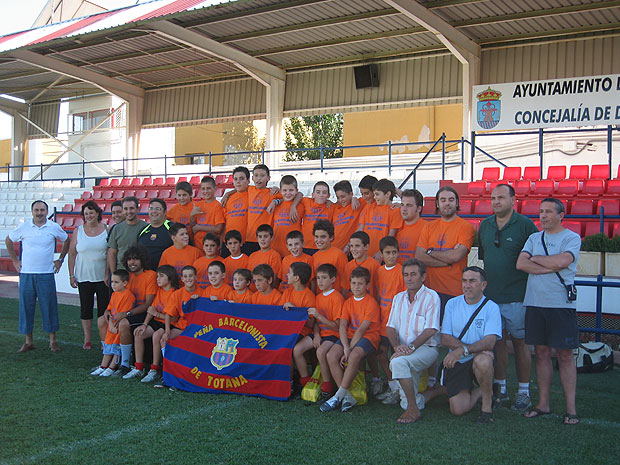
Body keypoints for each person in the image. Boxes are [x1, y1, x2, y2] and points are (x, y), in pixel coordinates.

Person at [516, 198, 581, 425]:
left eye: (548, 212)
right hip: (535, 303)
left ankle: (571, 409)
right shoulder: (534, 238)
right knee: (541, 354)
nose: (542, 216)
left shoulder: (571, 238)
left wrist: (539, 261)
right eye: (541, 212)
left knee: (565, 355)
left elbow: (563, 261)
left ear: (561, 215)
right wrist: (549, 264)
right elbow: (521, 264)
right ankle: (543, 404)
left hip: (561, 305)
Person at [479, 184, 538, 410]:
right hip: (491, 298)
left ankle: (523, 391)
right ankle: (500, 387)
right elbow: (486, 258)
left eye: (501, 197)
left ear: (514, 200)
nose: (496, 202)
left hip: (518, 296)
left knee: (521, 344)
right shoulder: (485, 225)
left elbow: (535, 257)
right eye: (493, 198)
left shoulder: (525, 226)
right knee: (499, 344)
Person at [429, 267, 502, 424]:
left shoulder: (491, 307)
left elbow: (490, 342)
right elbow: (445, 338)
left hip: (477, 357)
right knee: (458, 410)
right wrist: (465, 351)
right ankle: (483, 391)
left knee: (483, 360)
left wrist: (463, 350)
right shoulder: (452, 304)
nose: (467, 285)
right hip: (459, 361)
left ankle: (487, 408)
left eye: (472, 281)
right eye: (464, 281)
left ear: (483, 285)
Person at [5, 200, 70, 353]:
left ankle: (52, 341)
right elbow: (9, 240)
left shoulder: (53, 227)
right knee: (26, 308)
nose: (39, 213)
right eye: (36, 210)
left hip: (46, 274)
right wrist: (15, 260)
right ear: (32, 211)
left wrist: (60, 259)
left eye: (42, 210)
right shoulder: (24, 227)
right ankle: (28, 342)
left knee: (49, 307)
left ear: (47, 212)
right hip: (26, 274)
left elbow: (67, 240)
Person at [386, 259, 440, 424]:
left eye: (413, 274)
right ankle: (436, 392)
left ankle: (412, 409)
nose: (409, 279)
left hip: (426, 349)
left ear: (423, 277)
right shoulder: (398, 298)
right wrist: (396, 347)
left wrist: (410, 347)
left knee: (397, 363)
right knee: (400, 363)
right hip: (404, 350)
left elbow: (431, 329)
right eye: (406, 275)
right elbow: (390, 327)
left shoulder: (432, 297)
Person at [321, 267, 380, 412]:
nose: (356, 286)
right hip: (349, 336)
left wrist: (350, 350)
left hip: (368, 336)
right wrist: (345, 347)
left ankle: (338, 396)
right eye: (353, 283)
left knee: (353, 356)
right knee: (331, 355)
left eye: (360, 283)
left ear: (367, 286)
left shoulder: (371, 302)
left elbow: (362, 329)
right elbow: (342, 325)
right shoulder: (348, 302)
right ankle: (347, 396)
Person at [415, 186, 475, 313]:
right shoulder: (429, 227)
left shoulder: (466, 227)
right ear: (437, 203)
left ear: (457, 202)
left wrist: (430, 252)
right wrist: (447, 260)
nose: (447, 203)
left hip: (455, 292)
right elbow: (419, 256)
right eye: (443, 200)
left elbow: (456, 256)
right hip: (430, 292)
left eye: (451, 199)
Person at [103, 246, 157, 376]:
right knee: (101, 321)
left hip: (142, 314)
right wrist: (108, 310)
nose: (132, 262)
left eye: (136, 259)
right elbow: (117, 296)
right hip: (126, 312)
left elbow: (147, 304)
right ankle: (108, 359)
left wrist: (127, 314)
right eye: (129, 259)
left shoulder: (150, 275)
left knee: (123, 323)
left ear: (142, 260)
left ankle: (124, 363)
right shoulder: (127, 276)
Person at [149, 265, 204, 383]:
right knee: (164, 339)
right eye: (185, 276)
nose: (188, 278)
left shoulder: (203, 292)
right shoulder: (178, 294)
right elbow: (169, 314)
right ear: (182, 279)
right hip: (181, 326)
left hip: (197, 328)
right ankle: (167, 372)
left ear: (195, 277)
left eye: (190, 276)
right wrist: (167, 330)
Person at [123, 265, 179, 380]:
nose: (157, 279)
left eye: (161, 276)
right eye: (157, 276)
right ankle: (139, 367)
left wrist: (157, 314)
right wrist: (144, 324)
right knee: (138, 333)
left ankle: (155, 369)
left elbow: (173, 318)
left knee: (156, 336)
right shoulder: (160, 291)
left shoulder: (175, 293)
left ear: (170, 278)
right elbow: (151, 310)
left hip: (169, 324)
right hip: (157, 321)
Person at [68, 200, 110, 350]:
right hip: (83, 276)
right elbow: (72, 254)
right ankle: (87, 339)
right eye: (86, 213)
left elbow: (111, 252)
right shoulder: (78, 231)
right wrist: (71, 275)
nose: (89, 216)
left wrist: (108, 273)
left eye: (91, 212)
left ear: (97, 213)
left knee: (103, 309)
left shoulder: (107, 229)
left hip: (103, 277)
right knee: (85, 309)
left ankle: (103, 338)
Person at [372, 236, 406, 401]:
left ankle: (401, 389)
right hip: (382, 321)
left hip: (397, 321)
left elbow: (406, 297)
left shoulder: (401, 271)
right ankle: (393, 385)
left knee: (396, 354)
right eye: (388, 253)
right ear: (381, 254)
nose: (391, 256)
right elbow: (378, 294)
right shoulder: (379, 271)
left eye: (394, 252)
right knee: (381, 354)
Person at [308, 264, 345, 400]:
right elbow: (317, 323)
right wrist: (317, 334)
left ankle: (327, 387)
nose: (320, 281)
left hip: (334, 335)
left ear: (333, 279)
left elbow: (337, 327)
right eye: (318, 278)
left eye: (324, 278)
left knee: (321, 351)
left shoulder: (337, 298)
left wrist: (319, 316)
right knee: (317, 349)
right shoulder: (318, 297)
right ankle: (327, 384)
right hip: (322, 334)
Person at [91, 269, 135, 377]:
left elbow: (122, 314)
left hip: (119, 326)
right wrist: (110, 323)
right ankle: (103, 366)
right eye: (112, 282)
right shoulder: (114, 294)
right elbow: (110, 310)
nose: (113, 285)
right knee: (108, 344)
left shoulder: (128, 295)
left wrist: (115, 326)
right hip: (113, 325)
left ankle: (112, 367)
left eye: (116, 282)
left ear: (124, 283)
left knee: (116, 347)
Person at [357, 178, 402, 260]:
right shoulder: (369, 207)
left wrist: (380, 252)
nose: (375, 197)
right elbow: (360, 230)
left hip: (381, 257)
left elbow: (391, 235)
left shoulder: (395, 210)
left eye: (377, 194)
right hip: (365, 255)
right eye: (374, 194)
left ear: (388, 194)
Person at [107, 196, 147, 272]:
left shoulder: (146, 227)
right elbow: (112, 252)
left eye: (131, 208)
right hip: (122, 273)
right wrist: (114, 273)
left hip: (140, 273)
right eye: (125, 209)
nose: (129, 211)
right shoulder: (117, 229)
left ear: (137, 209)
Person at [311, 220, 348, 294]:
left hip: (335, 298)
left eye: (323, 237)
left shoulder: (339, 255)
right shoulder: (314, 256)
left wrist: (343, 299)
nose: (319, 240)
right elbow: (314, 280)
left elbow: (345, 281)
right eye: (316, 237)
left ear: (331, 237)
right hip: (319, 298)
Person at [297, 181, 333, 255]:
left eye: (324, 192)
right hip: (305, 245)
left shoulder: (331, 207)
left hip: (322, 246)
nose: (321, 195)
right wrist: (294, 206)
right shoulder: (306, 201)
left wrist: (354, 198)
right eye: (318, 192)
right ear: (313, 195)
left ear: (328, 195)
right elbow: (298, 194)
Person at [272, 175, 304, 258]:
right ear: (280, 191)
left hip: (293, 250)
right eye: (285, 190)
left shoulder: (301, 205)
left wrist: (293, 206)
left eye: (291, 190)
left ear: (296, 190)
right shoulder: (276, 204)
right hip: (276, 248)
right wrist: (275, 201)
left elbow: (301, 194)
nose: (288, 193)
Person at [190, 175, 225, 250]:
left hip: (211, 246)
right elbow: (193, 226)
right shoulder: (198, 205)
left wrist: (199, 227)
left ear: (215, 189)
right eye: (203, 189)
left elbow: (219, 229)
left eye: (208, 188)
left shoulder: (217, 206)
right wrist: (192, 216)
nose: (205, 191)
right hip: (198, 245)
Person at [137, 198, 173, 271]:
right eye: (151, 208)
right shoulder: (143, 231)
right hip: (146, 275)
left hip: (166, 275)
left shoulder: (173, 228)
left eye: (158, 209)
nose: (154, 211)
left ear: (165, 212)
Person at [343, 231, 380, 298]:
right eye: (351, 246)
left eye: (357, 246)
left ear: (366, 247)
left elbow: (378, 290)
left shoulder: (375, 265)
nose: (353, 249)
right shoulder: (348, 266)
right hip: (352, 305)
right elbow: (345, 290)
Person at [222, 166, 250, 254]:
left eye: (241, 178)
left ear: (248, 180)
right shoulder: (228, 199)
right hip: (228, 242)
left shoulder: (253, 194)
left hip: (246, 242)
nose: (238, 181)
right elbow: (223, 223)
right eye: (235, 179)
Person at [332, 180, 364, 253]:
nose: (340, 200)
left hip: (350, 250)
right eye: (338, 197)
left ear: (351, 194)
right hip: (335, 249)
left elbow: (373, 194)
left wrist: (354, 198)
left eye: (343, 196)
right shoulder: (334, 208)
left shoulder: (358, 204)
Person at [247, 224, 282, 288]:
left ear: (271, 238)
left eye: (265, 236)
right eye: (260, 237)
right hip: (253, 293)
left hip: (267, 292)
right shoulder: (252, 256)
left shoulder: (275, 255)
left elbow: (274, 278)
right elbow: (249, 276)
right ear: (257, 239)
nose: (262, 239)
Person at [396, 189, 426, 264]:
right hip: (397, 274)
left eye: (409, 205)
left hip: (416, 274)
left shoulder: (427, 228)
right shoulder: (395, 226)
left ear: (419, 208)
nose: (404, 209)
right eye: (402, 205)